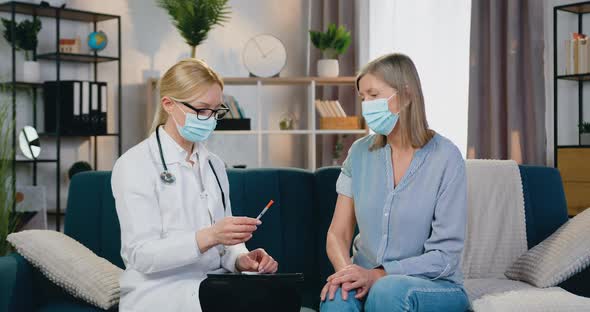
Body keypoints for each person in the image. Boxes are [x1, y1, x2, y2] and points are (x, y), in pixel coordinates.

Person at [111, 58, 278, 312]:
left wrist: (242, 259)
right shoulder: (134, 164)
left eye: (216, 111)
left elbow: (227, 243)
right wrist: (209, 236)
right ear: (169, 104)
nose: (210, 119)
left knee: (282, 295)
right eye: (201, 110)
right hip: (162, 292)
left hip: (215, 285)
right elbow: (141, 256)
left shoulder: (214, 165)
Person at [320, 53, 470, 312]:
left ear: (406, 95)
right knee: (337, 298)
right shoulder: (359, 153)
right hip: (366, 276)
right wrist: (348, 274)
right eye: (362, 97)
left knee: (387, 291)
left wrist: (379, 275)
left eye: (374, 95)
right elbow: (338, 233)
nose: (366, 105)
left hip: (431, 284)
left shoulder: (446, 158)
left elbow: (444, 257)